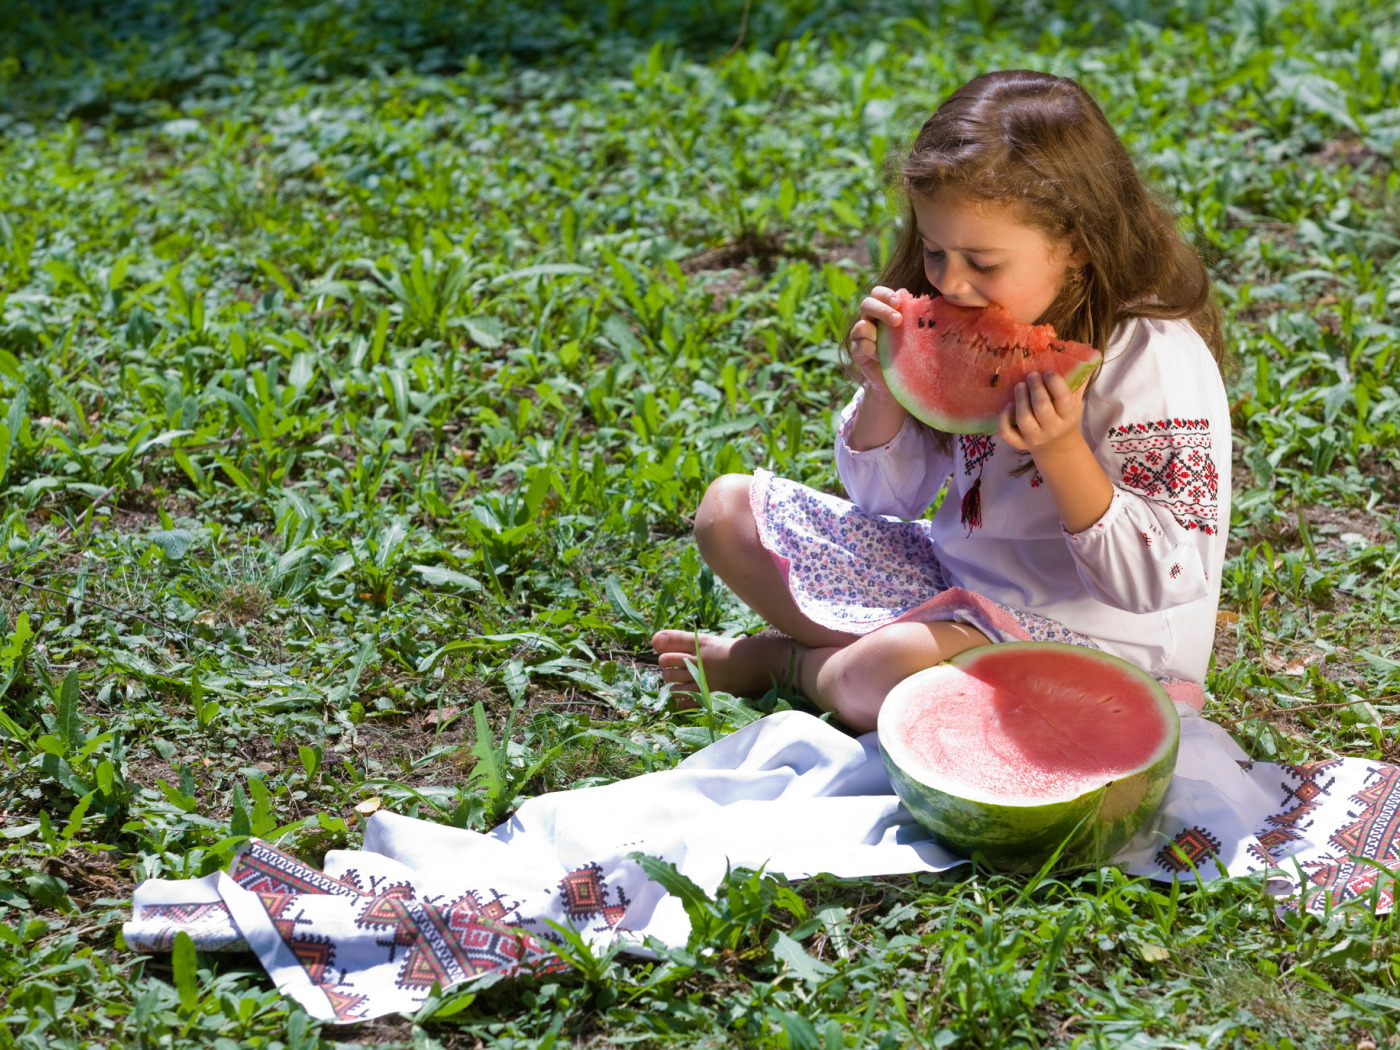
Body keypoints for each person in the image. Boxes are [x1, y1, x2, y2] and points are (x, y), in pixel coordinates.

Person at [653, 69, 1231, 733]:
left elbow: (1160, 583)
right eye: (933, 251)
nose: (951, 281)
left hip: (1108, 649)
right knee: (728, 514)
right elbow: (886, 501)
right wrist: (885, 391)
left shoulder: (1149, 354)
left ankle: (788, 665)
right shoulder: (957, 309)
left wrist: (1062, 450)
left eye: (983, 263)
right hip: (957, 587)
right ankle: (866, 661)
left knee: (886, 668)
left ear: (1075, 243)